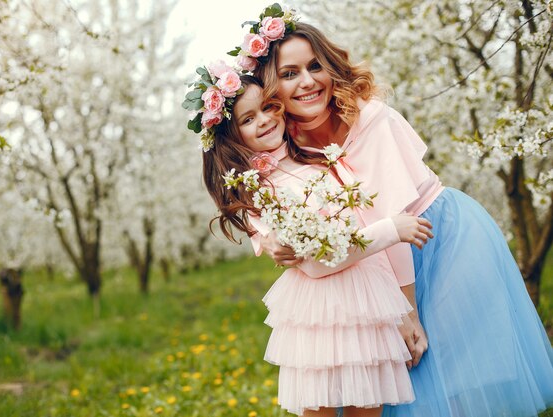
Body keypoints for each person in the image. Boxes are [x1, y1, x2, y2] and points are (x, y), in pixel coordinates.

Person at [236, 9, 553, 417]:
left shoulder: (369, 119)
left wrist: (405, 313)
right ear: (269, 87)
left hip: (434, 236)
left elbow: (393, 217)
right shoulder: (284, 135)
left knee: (434, 364)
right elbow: (275, 195)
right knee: (391, 372)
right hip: (372, 254)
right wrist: (273, 239)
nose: (308, 81)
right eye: (290, 73)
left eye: (316, 66)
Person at [198, 73, 434, 416]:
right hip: (319, 314)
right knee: (318, 410)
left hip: (368, 301)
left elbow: (362, 220)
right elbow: (316, 262)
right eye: (248, 119)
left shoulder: (315, 155)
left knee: (367, 407)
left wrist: (398, 309)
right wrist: (391, 230)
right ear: (231, 136)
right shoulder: (260, 190)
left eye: (268, 107)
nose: (264, 120)